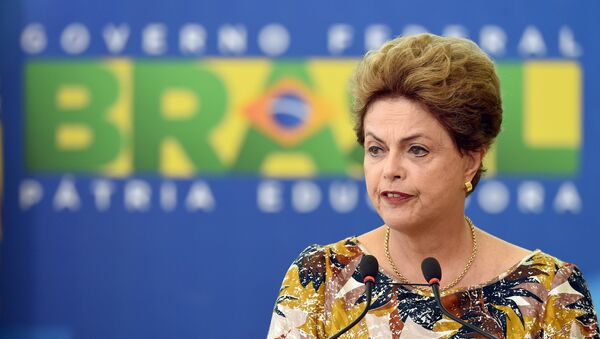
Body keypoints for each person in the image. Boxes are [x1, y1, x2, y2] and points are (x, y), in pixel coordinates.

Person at [267, 33, 599, 338]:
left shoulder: (550, 293)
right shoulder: (320, 280)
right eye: (376, 149)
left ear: (469, 160)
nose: (390, 170)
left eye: (417, 150)